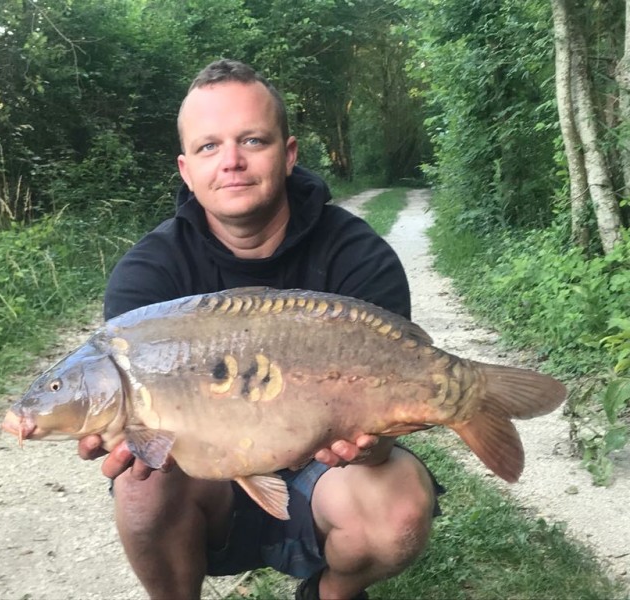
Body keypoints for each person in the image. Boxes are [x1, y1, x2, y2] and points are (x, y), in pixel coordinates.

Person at [77, 59, 442, 600]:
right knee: (139, 490)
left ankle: (331, 594)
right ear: (185, 169)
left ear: (289, 154)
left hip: (327, 472)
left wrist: (372, 444)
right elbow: (140, 436)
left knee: (401, 508)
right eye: (208, 147)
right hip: (207, 482)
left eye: (252, 140)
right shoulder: (149, 275)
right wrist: (131, 440)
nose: (231, 162)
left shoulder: (359, 257)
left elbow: (384, 429)